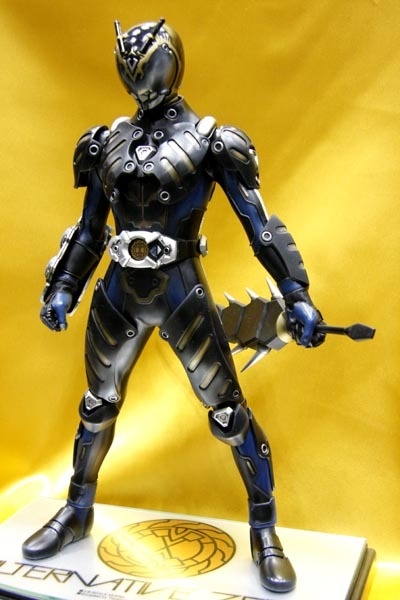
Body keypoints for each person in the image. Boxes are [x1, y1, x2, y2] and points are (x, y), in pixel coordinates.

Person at [22, 19, 325, 593]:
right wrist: (64, 286)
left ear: (168, 60)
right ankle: (77, 509)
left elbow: (260, 226)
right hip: (119, 289)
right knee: (97, 406)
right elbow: (90, 229)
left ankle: (264, 530)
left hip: (181, 288)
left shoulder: (213, 141)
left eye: (144, 62)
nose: (135, 73)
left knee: (228, 413)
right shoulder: (106, 142)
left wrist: (297, 294)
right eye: (127, 63)